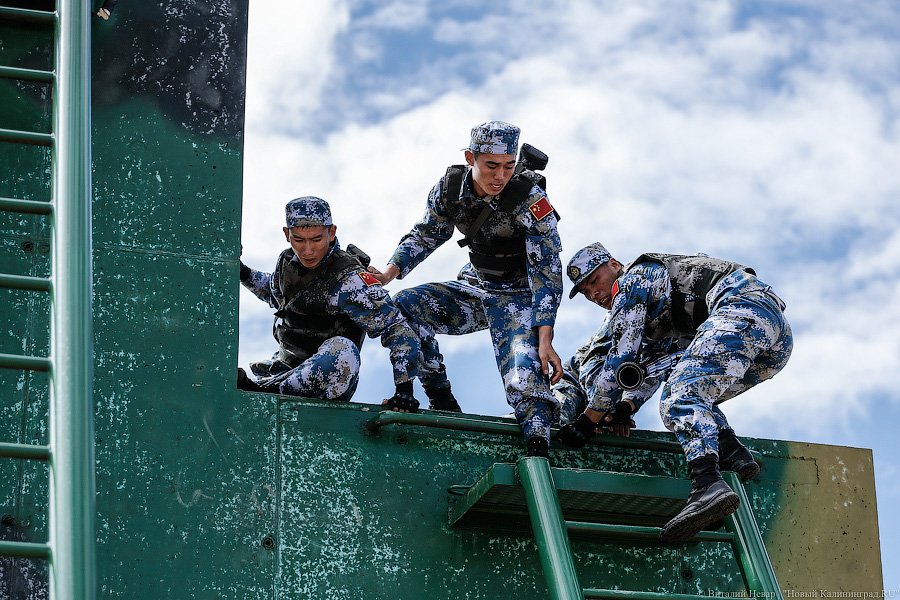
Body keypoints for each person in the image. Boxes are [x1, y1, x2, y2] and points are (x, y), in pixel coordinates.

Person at [558, 242, 792, 542]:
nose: (595, 294)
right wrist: (627, 406)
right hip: (772, 340)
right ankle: (732, 453)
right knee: (695, 387)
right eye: (587, 293)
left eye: (594, 281)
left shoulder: (633, 280)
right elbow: (653, 366)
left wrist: (589, 419)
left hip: (742, 309)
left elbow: (621, 356)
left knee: (679, 397)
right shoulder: (661, 311)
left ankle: (707, 485)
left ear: (615, 265)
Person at [369, 121, 564, 458]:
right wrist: (388, 273)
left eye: (508, 165)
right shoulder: (450, 189)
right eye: (491, 166)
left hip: (517, 298)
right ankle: (440, 396)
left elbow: (547, 272)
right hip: (474, 286)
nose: (500, 176)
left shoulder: (530, 199)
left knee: (524, 373)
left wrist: (544, 338)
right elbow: (427, 234)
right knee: (405, 306)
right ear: (471, 157)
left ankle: (537, 445)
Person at [239, 196, 421, 406]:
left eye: (316, 239)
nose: (308, 250)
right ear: (287, 234)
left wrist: (404, 391)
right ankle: (269, 388)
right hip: (284, 369)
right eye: (299, 240)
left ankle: (267, 392)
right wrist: (242, 272)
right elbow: (274, 292)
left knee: (344, 352)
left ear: (331, 232)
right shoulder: (287, 262)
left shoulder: (350, 278)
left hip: (329, 378)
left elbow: (398, 329)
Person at [552, 323, 688, 432]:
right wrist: (600, 411)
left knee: (612, 434)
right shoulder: (622, 315)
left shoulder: (678, 342)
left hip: (612, 399)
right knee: (557, 423)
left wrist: (623, 410)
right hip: (576, 383)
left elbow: (651, 378)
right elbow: (593, 362)